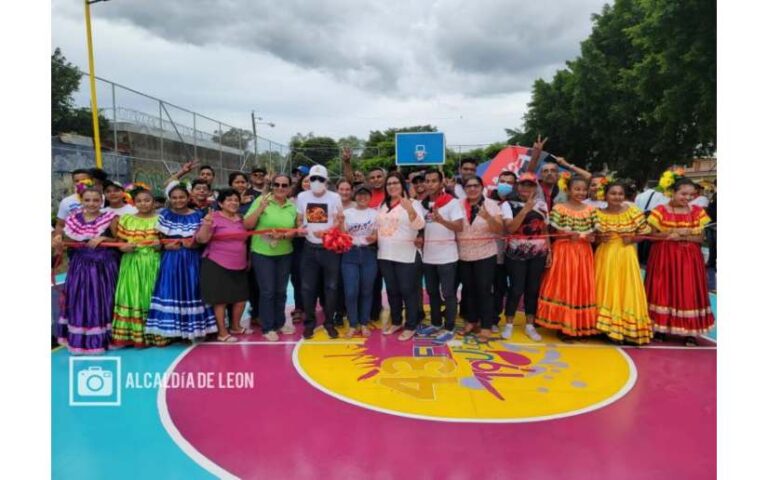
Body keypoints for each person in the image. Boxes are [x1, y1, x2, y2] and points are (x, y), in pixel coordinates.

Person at [645, 178, 714, 346]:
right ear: (672, 192)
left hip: (689, 259)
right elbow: (651, 236)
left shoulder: (697, 212)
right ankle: (660, 328)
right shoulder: (659, 211)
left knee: (687, 290)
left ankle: (689, 332)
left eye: (691, 194)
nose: (688, 198)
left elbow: (700, 238)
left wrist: (684, 235)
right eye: (683, 194)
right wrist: (672, 232)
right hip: (664, 257)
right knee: (663, 289)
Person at [145, 185, 217, 343]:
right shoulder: (164, 215)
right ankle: (176, 331)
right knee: (173, 291)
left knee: (193, 291)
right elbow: (157, 241)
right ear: (170, 199)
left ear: (188, 197)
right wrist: (165, 246)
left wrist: (193, 245)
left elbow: (203, 240)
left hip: (192, 260)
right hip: (171, 260)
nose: (178, 200)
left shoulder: (198, 215)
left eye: (181, 197)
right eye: (174, 197)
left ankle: (195, 329)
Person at [52, 188, 120, 354]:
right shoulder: (72, 219)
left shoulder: (110, 218)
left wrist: (104, 238)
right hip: (80, 266)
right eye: (87, 200)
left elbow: (119, 240)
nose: (91, 204)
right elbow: (68, 240)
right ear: (82, 201)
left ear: (101, 202)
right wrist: (58, 241)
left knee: (103, 299)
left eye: (96, 200)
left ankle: (104, 338)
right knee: (79, 299)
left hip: (104, 266)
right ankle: (81, 339)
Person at [535, 175, 598, 340]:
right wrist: (567, 235)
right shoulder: (559, 208)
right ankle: (562, 323)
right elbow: (553, 232)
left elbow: (594, 234)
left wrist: (591, 237)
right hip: (564, 251)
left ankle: (579, 323)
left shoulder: (591, 210)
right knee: (564, 285)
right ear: (568, 190)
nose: (581, 192)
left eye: (584, 189)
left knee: (580, 286)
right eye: (577, 189)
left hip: (583, 253)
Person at [594, 182, 653, 345]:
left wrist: (633, 238)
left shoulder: (633, 212)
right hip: (605, 255)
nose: (617, 197)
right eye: (613, 193)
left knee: (627, 290)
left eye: (620, 194)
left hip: (627, 256)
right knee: (606, 288)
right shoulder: (597, 214)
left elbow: (645, 233)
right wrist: (599, 238)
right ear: (605, 195)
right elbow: (592, 236)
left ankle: (628, 330)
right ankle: (605, 329)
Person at [244, 175, 299, 341]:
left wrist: (289, 234)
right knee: (267, 291)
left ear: (290, 187)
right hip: (263, 253)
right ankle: (268, 327)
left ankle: (280, 322)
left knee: (281, 291)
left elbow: (296, 229)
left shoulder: (292, 206)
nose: (280, 187)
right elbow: (247, 225)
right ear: (272, 185)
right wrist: (260, 208)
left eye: (284, 185)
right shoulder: (262, 199)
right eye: (277, 184)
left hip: (284, 253)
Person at [196, 189, 253, 343]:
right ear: (220, 203)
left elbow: (245, 241)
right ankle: (222, 332)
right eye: (229, 200)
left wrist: (248, 259)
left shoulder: (241, 219)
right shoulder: (212, 217)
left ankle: (235, 326)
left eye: (236, 200)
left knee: (241, 299)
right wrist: (207, 225)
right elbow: (201, 239)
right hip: (216, 263)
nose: (233, 202)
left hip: (239, 263)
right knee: (220, 300)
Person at [111, 188, 164, 347]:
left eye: (147, 200)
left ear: (153, 202)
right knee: (131, 295)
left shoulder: (161, 219)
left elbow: (167, 242)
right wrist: (122, 248)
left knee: (150, 295)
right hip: (131, 262)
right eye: (139, 201)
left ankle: (155, 335)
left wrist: (159, 246)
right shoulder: (126, 219)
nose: (143, 204)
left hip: (152, 262)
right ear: (134, 203)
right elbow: (119, 241)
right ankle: (134, 335)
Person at [296, 165, 344, 339]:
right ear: (308, 180)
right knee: (308, 288)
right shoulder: (302, 196)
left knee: (331, 287)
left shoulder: (335, 197)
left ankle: (329, 322)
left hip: (329, 248)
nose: (316, 182)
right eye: (313, 179)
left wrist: (328, 232)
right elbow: (300, 218)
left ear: (326, 181)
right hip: (309, 248)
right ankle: (309, 323)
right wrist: (299, 227)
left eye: (320, 179)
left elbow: (340, 220)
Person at [500, 172, 550, 341]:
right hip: (516, 254)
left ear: (535, 187)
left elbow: (544, 230)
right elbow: (510, 229)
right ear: (517, 186)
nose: (525, 188)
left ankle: (530, 325)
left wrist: (548, 251)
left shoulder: (543, 205)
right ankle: (508, 324)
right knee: (516, 289)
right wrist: (525, 210)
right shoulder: (508, 205)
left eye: (530, 185)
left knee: (533, 289)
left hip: (538, 253)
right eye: (523, 185)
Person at [377, 173, 426, 340]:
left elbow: (420, 225)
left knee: (408, 291)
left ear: (402, 185)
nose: (392, 186)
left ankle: (411, 325)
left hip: (406, 255)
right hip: (385, 254)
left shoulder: (413, 203)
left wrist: (410, 210)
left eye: (395, 183)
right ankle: (396, 321)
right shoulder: (382, 205)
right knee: (392, 291)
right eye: (389, 183)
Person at [420, 169, 464, 344]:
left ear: (441, 183)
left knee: (448, 293)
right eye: (427, 181)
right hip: (428, 257)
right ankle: (436, 323)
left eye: (434, 181)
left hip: (447, 257)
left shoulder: (452, 203)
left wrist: (441, 220)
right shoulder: (421, 204)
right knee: (431, 293)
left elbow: (459, 227)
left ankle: (449, 327)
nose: (430, 184)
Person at [456, 175, 503, 342]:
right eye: (468, 186)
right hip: (463, 254)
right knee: (468, 290)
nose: (472, 189)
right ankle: (471, 321)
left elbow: (499, 230)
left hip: (485, 254)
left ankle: (486, 326)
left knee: (484, 290)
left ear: (482, 187)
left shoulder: (492, 205)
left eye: (476, 185)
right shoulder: (458, 204)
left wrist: (488, 217)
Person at [341, 185, 379, 338]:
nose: (362, 198)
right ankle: (352, 323)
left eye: (366, 195)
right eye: (359, 195)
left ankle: (363, 323)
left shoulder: (375, 214)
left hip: (369, 253)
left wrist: (374, 238)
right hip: (350, 253)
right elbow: (342, 234)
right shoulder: (346, 213)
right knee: (351, 291)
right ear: (354, 197)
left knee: (366, 290)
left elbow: (376, 234)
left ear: (370, 198)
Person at [289, 174, 310, 324]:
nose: (309, 183)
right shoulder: (292, 202)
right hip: (298, 243)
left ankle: (311, 307)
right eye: (306, 181)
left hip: (317, 242)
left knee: (314, 277)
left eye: (313, 180)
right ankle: (299, 307)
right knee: (297, 276)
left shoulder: (324, 199)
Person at [54, 169, 92, 236]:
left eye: (84, 179)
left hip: (98, 242)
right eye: (77, 181)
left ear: (91, 181)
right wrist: (57, 239)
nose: (81, 183)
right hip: (75, 242)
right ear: (73, 183)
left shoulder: (103, 198)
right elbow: (60, 225)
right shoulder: (66, 202)